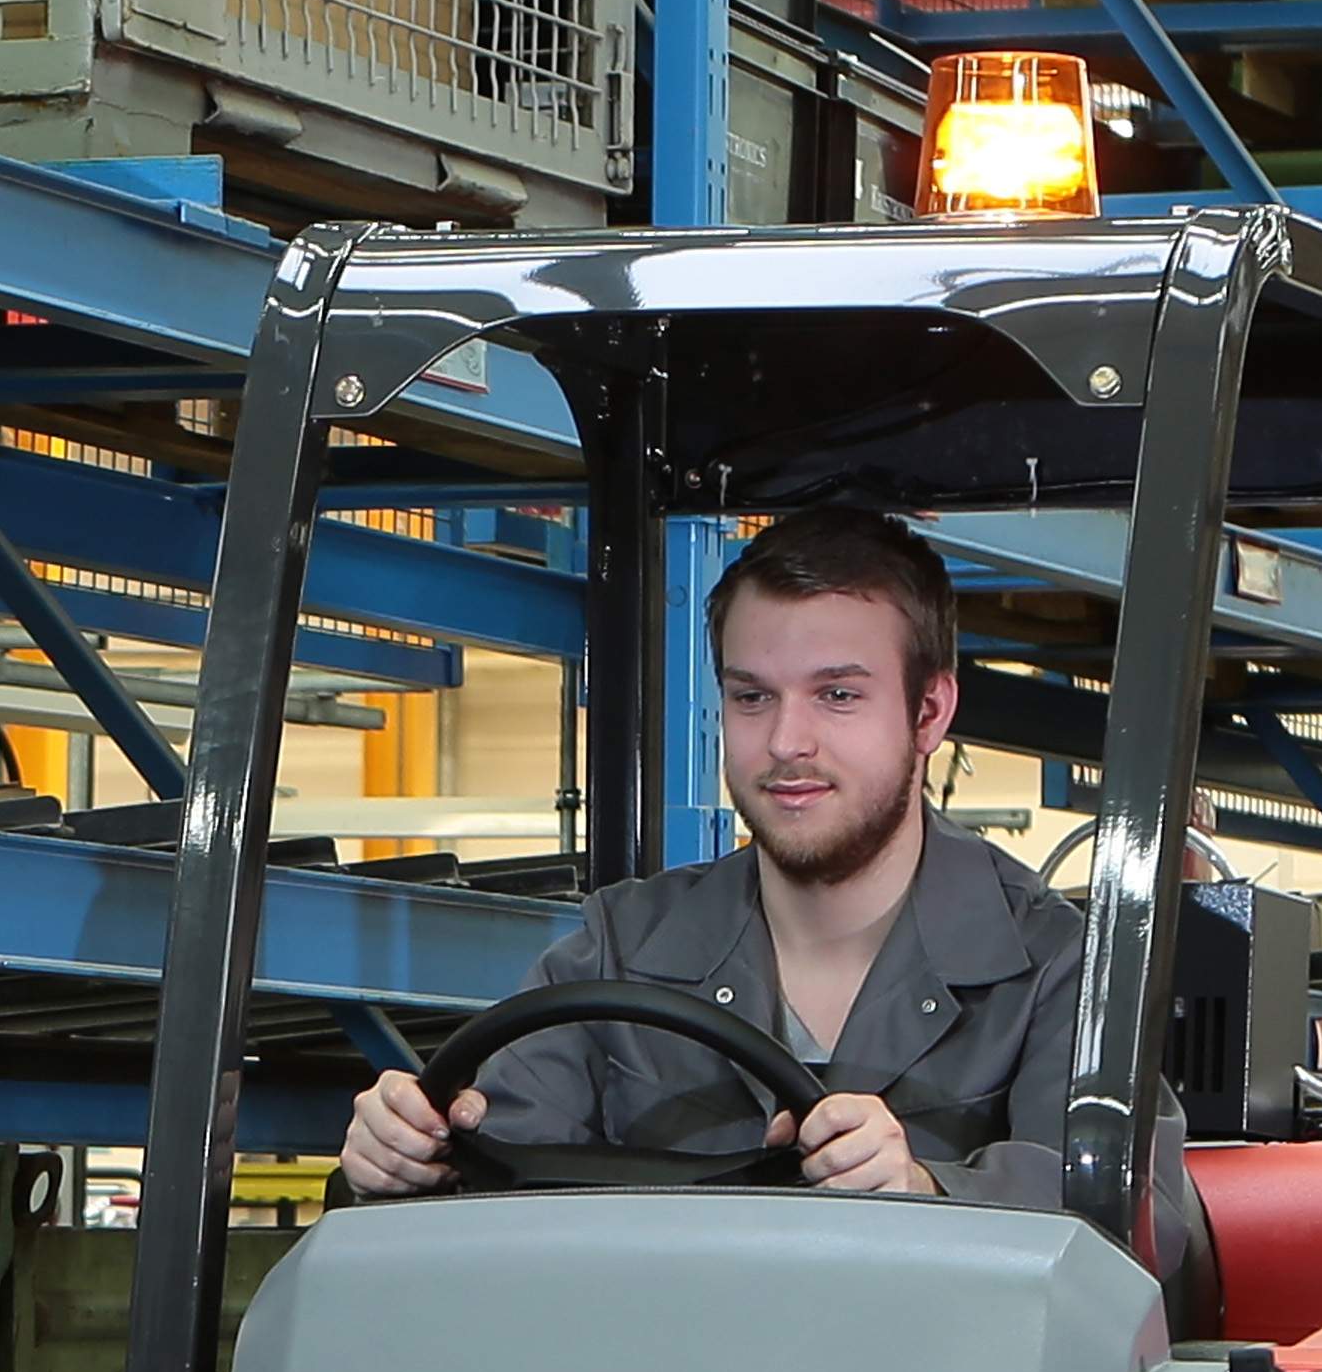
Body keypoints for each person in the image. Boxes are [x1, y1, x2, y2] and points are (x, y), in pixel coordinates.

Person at [339, 507, 1198, 1279]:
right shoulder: (620, 947)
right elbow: (496, 1163)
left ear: (930, 711)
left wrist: (929, 1188)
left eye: (837, 696)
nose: (787, 741)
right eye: (752, 697)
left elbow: (1149, 1231)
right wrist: (410, 1158)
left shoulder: (1059, 968)